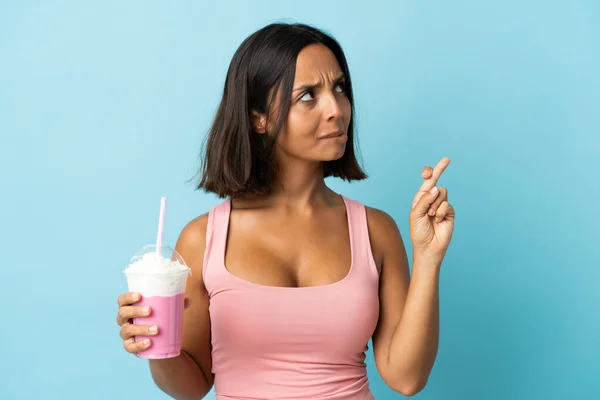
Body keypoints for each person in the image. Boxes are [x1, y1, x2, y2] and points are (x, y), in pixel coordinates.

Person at [116, 22, 455, 400]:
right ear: (257, 118)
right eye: (308, 95)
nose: (336, 109)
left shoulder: (376, 230)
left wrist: (428, 255)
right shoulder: (203, 239)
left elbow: (406, 379)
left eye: (339, 88)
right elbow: (192, 386)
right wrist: (154, 345)